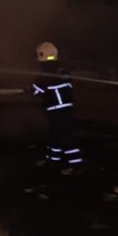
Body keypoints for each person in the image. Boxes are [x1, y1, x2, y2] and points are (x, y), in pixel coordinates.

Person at [32, 42, 83, 170]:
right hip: (59, 110)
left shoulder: (49, 74)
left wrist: (32, 88)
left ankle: (76, 165)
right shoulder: (59, 72)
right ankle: (53, 161)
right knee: (54, 136)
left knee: (65, 137)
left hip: (60, 111)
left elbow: (39, 89)